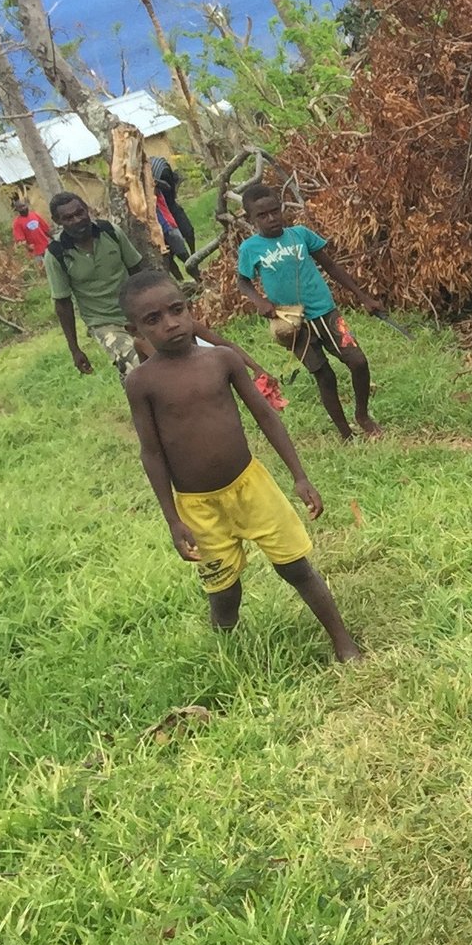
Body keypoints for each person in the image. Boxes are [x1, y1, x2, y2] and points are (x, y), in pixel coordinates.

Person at [120, 270, 363, 661]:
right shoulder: (142, 383)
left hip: (252, 487)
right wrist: (172, 519)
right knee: (224, 590)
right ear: (135, 329)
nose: (171, 323)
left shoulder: (222, 359)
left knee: (296, 567)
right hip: (197, 506)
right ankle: (227, 655)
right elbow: (151, 452)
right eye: (153, 320)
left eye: (177, 310)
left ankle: (343, 641)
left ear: (189, 308)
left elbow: (266, 417)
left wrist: (299, 476)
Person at [234, 180, 383, 441]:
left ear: (281, 209)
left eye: (275, 211)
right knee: (324, 376)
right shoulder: (250, 249)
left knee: (357, 361)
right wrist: (260, 302)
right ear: (251, 219)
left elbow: (332, 266)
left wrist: (363, 297)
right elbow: (243, 282)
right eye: (263, 215)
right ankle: (346, 434)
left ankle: (362, 415)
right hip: (291, 320)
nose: (271, 219)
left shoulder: (300, 234)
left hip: (325, 311)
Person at [44, 190, 153, 380]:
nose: (77, 220)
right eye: (68, 218)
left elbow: (137, 271)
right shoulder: (56, 254)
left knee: (165, 356)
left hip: (136, 312)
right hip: (103, 322)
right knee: (137, 365)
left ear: (87, 210)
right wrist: (75, 349)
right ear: (58, 221)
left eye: (80, 212)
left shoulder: (110, 232)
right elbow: (63, 304)